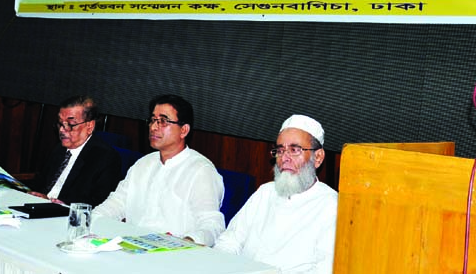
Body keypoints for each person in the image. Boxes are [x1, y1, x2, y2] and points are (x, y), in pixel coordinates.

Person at [214, 114, 338, 273]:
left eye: (294, 150)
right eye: (280, 150)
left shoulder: (332, 206)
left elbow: (325, 270)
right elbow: (229, 242)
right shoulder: (265, 192)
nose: (284, 158)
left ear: (318, 157)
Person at [94, 94, 224, 245]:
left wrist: (187, 241)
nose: (154, 127)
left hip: (172, 254)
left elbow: (212, 225)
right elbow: (115, 204)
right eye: (153, 120)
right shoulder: (143, 164)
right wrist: (89, 221)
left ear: (184, 130)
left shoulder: (201, 170)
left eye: (163, 121)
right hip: (130, 245)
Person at [30, 96, 122, 206]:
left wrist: (58, 205)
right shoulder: (59, 149)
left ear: (89, 126)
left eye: (70, 124)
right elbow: (40, 183)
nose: (62, 130)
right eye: (60, 123)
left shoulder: (105, 158)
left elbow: (99, 203)